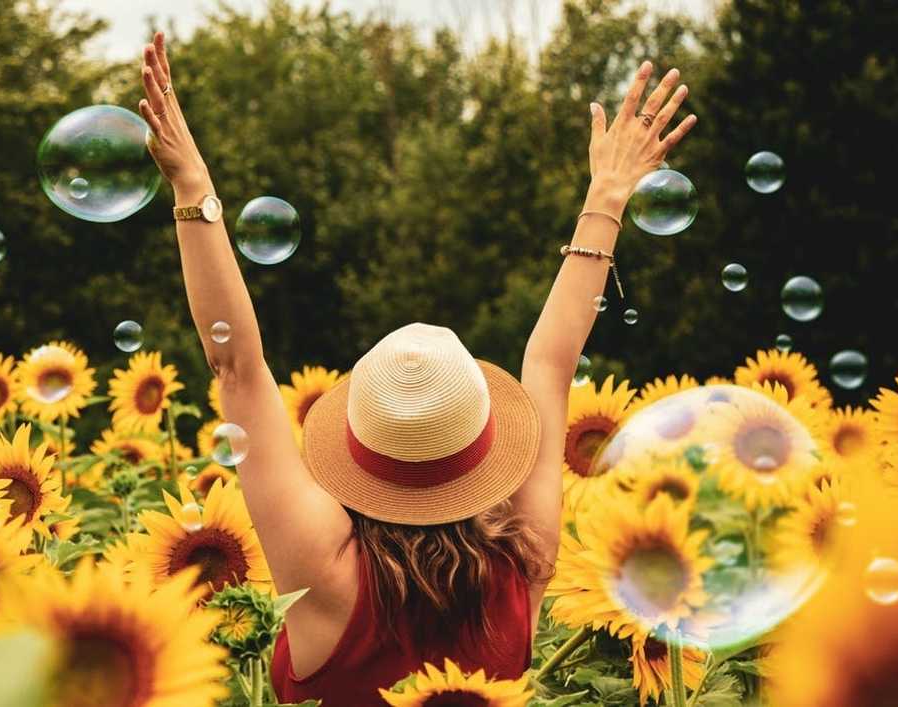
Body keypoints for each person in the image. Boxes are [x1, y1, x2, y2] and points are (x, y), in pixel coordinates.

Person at [137, 31, 695, 706]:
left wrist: (194, 187)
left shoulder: (325, 570)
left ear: (360, 447)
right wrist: (607, 196)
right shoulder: (523, 564)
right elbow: (550, 365)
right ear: (482, 445)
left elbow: (238, 369)